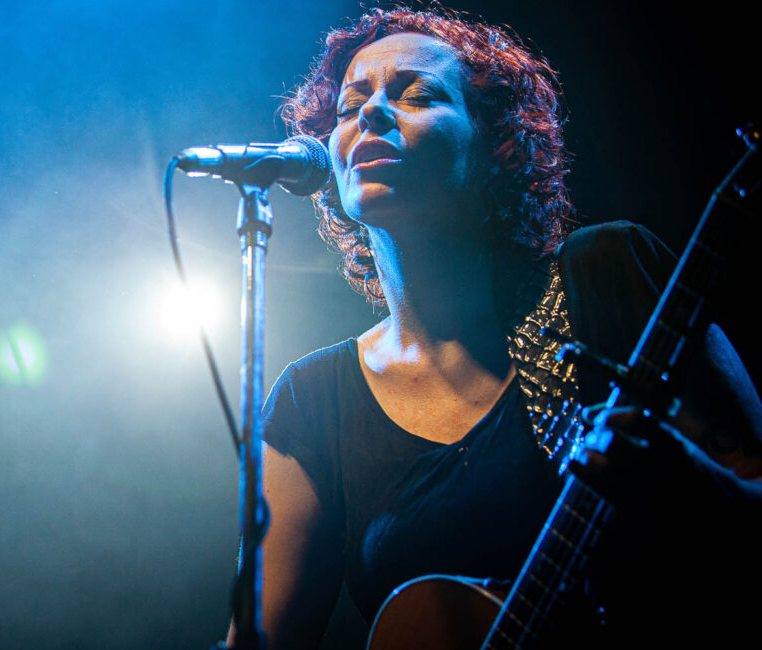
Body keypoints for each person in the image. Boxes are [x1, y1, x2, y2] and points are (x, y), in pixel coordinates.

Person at [232, 7, 762, 649]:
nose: (370, 113)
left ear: (495, 144)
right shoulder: (313, 399)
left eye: (416, 94)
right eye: (350, 105)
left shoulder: (605, 274)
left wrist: (692, 480)